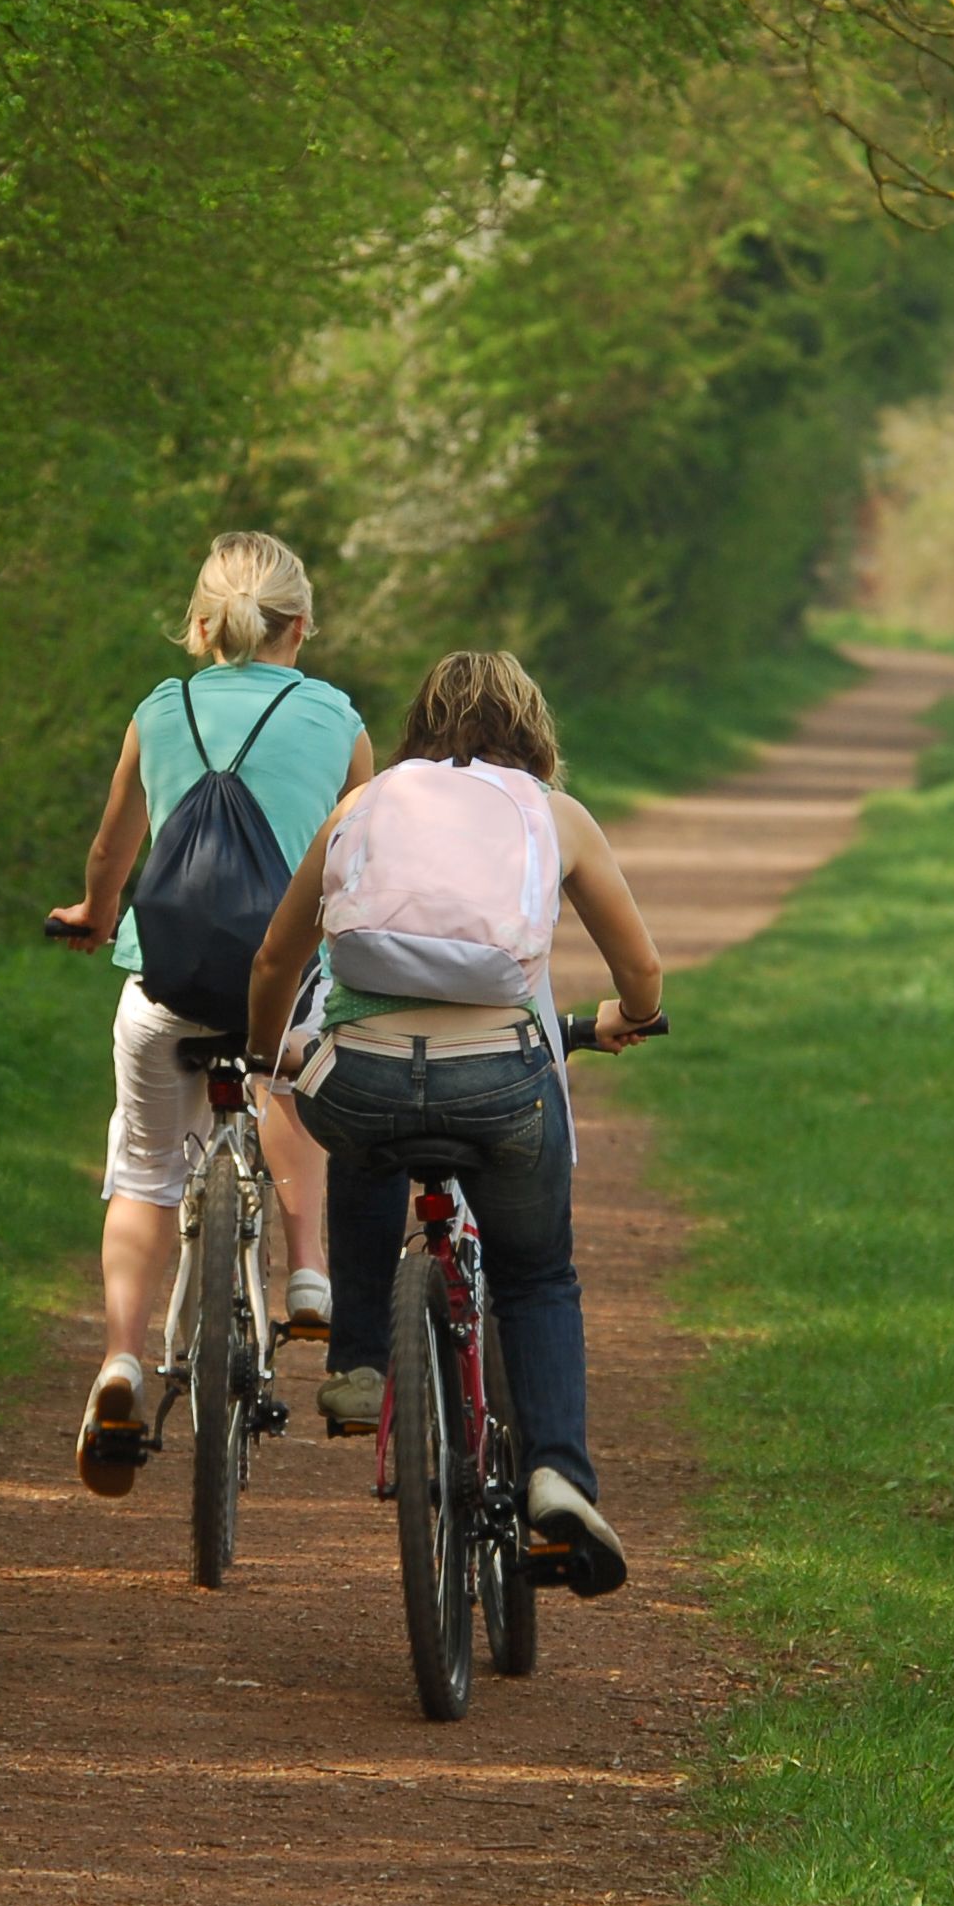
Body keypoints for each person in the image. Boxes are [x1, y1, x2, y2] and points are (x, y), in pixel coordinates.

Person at [245, 650, 663, 1597]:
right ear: (534, 731)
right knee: (537, 1273)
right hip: (502, 1084)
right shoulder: (554, 814)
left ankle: (357, 1357)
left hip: (366, 1080)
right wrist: (626, 1019)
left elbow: (277, 960)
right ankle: (557, 1471)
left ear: (418, 725)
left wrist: (271, 1052)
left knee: (356, 1125)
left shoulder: (367, 805)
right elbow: (642, 975)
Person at [47, 532, 371, 1498]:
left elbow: (114, 850)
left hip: (166, 988)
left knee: (145, 1170)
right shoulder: (339, 719)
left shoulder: (160, 708)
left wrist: (96, 916)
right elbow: (365, 857)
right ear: (302, 625)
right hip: (286, 982)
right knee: (295, 1077)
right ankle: (309, 1271)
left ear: (199, 624)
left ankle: (119, 1363)